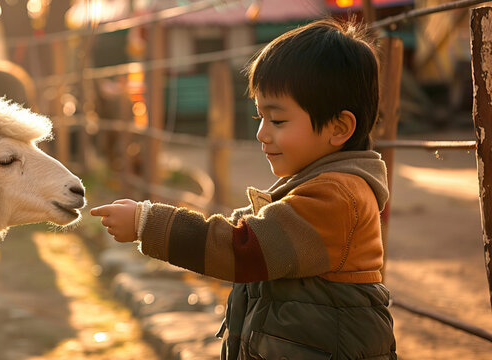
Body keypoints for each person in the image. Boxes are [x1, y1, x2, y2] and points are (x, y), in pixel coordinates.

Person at [91, 19, 396, 360]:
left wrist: (147, 222)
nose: (262, 134)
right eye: (259, 118)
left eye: (277, 121)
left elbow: (242, 248)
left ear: (338, 128)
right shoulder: (318, 185)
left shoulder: (337, 199)